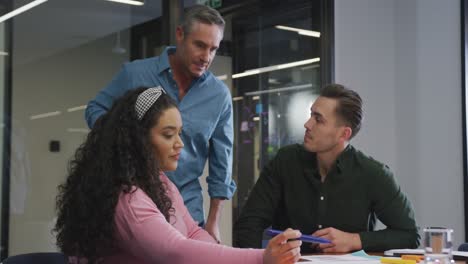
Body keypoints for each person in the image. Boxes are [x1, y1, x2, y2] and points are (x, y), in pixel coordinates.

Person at [54, 87, 302, 264]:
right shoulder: (128, 198)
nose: (179, 144)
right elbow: (175, 253)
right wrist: (260, 258)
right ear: (138, 139)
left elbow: (193, 232)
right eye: (168, 134)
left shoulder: (158, 181)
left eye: (179, 133)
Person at [84, 5, 234, 241]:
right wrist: (123, 140)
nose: (206, 57)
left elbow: (221, 164)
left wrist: (214, 221)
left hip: (187, 208)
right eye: (200, 45)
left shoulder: (219, 95)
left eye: (213, 49)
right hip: (134, 199)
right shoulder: (135, 74)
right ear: (180, 34)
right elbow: (96, 109)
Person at [233, 84, 420, 253]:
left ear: (343, 134)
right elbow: (249, 224)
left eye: (318, 119)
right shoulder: (285, 161)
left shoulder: (374, 174)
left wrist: (355, 240)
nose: (307, 124)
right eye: (311, 114)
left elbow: (410, 235)